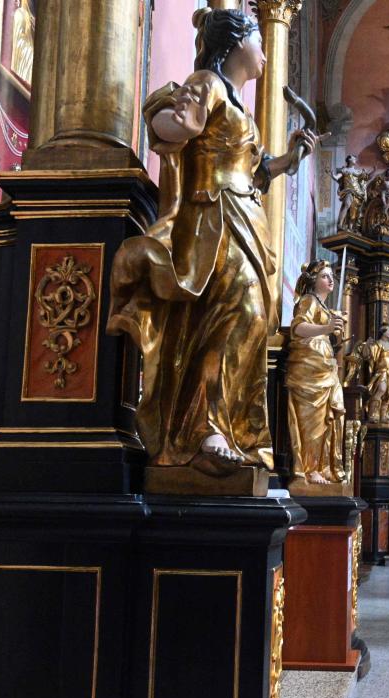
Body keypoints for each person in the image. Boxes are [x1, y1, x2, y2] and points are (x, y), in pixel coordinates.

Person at [107, 8, 318, 482]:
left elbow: (256, 172)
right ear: (236, 41)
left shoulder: (239, 102)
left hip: (247, 215)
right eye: (258, 39)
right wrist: (176, 124)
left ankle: (231, 431)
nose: (263, 50)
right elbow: (165, 120)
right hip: (213, 217)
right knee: (232, 313)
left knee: (254, 320)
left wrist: (290, 156)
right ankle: (206, 430)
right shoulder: (208, 82)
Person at [286, 259, 347, 487]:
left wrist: (335, 326)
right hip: (308, 373)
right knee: (312, 423)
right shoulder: (309, 300)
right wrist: (327, 328)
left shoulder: (322, 306)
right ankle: (309, 469)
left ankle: (322, 466)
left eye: (331, 276)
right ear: (313, 280)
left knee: (325, 423)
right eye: (324, 275)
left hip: (323, 371)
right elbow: (298, 328)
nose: (330, 280)